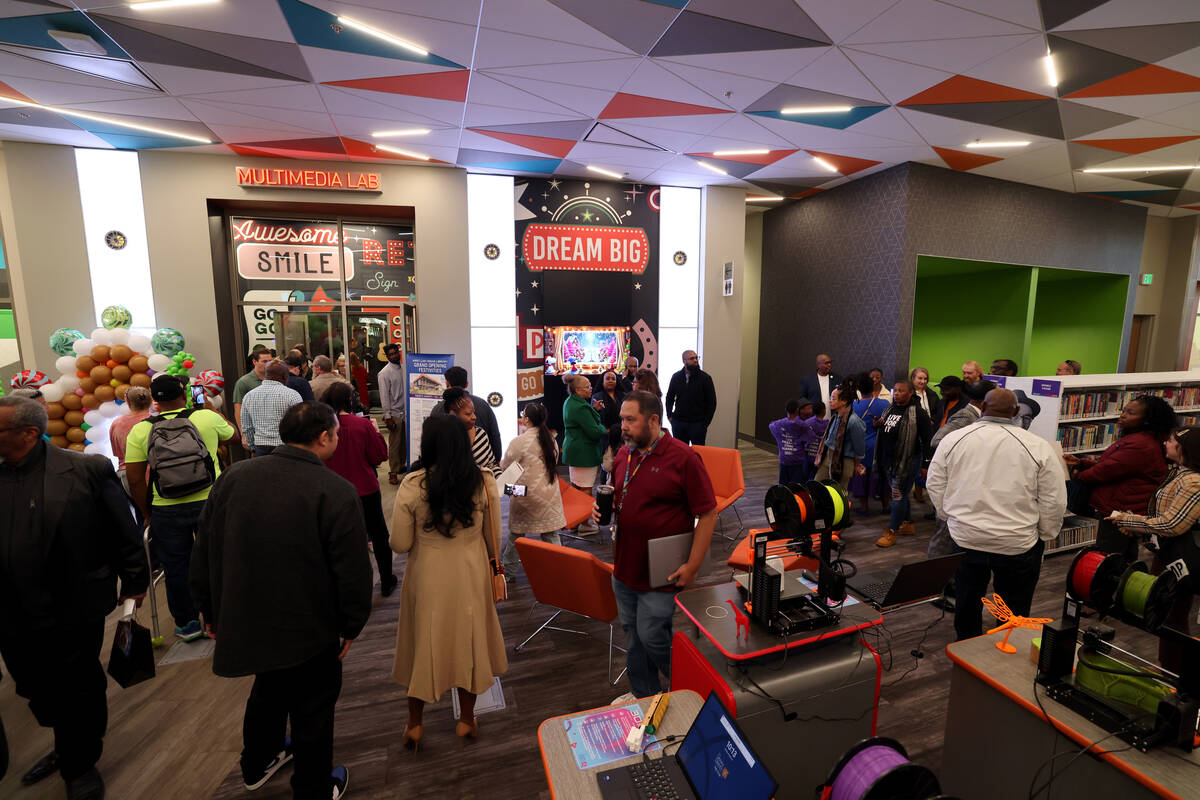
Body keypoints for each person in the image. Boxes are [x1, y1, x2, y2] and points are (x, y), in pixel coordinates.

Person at [191, 402, 371, 800]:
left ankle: (256, 763)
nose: (337, 439)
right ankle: (313, 788)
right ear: (323, 437)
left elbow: (204, 545)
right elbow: (353, 570)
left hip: (245, 612)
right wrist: (351, 624)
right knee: (313, 708)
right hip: (310, 624)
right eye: (336, 433)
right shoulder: (335, 490)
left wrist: (207, 604)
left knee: (267, 689)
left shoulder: (235, 477)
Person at [0, 396, 147, 800]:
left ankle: (78, 762)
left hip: (72, 601)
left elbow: (124, 530)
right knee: (31, 684)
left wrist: (135, 580)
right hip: (10, 609)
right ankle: (67, 740)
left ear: (29, 434)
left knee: (77, 682)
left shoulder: (84, 470)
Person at [390, 414, 508, 748]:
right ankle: (467, 721)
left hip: (426, 573)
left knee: (421, 643)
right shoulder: (483, 481)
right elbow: (493, 539)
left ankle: (415, 724)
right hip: (471, 572)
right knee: (469, 641)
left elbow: (400, 544)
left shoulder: (412, 484)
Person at [926, 389, 1066, 640]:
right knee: (1014, 604)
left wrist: (950, 517)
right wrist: (1045, 533)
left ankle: (967, 647)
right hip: (1017, 542)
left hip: (966, 539)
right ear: (1015, 412)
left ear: (982, 408)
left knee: (967, 598)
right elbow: (1053, 498)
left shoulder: (955, 439)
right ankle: (1008, 646)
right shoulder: (1037, 446)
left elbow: (935, 484)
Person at [605, 391, 716, 701]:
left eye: (630, 420)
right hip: (625, 567)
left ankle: (692, 690)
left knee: (653, 636)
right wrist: (600, 510)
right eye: (621, 419)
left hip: (662, 571)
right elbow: (620, 496)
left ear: (653, 420)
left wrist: (693, 565)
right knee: (633, 638)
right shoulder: (625, 454)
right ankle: (645, 697)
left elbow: (708, 513)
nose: (623, 426)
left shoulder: (683, 458)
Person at [126, 374, 234, 642]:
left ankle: (187, 624)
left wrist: (147, 512)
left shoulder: (140, 430)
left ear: (155, 401)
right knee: (217, 559)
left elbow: (136, 479)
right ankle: (220, 617)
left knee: (176, 566)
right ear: (184, 394)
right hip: (211, 501)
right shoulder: (206, 418)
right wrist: (209, 409)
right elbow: (233, 436)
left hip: (166, 507)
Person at [1111, 427, 1200, 672]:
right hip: (1169, 555)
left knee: (1174, 613)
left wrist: (1129, 521)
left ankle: (1174, 671)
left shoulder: (1194, 482)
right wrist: (1140, 526)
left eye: (1171, 440)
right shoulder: (1179, 473)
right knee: (1167, 611)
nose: (1165, 442)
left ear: (1184, 448)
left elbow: (1172, 524)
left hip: (1180, 559)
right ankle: (1167, 665)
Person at [1065, 395, 1176, 560]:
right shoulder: (1140, 439)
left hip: (1121, 509)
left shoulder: (1140, 444)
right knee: (1125, 553)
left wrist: (1076, 475)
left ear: (1147, 419)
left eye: (1130, 413)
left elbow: (1105, 471)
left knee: (1109, 556)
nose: (1123, 415)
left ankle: (1111, 585)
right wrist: (1083, 463)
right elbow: (1115, 465)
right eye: (1124, 410)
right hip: (1127, 506)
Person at [323, 382, 396, 597]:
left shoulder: (323, 427)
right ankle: (386, 580)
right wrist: (375, 431)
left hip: (333, 489)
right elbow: (379, 456)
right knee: (379, 535)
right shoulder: (361, 425)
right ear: (350, 400)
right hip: (365, 488)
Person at [498, 402, 566, 569]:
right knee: (550, 534)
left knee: (516, 536)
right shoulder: (551, 440)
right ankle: (562, 569)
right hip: (550, 493)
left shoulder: (519, 442)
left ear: (526, 419)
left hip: (524, 493)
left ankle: (508, 572)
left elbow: (505, 466)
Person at [873, 381, 933, 548]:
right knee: (902, 493)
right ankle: (907, 523)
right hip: (889, 459)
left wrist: (925, 465)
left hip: (908, 460)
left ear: (910, 393)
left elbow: (928, 440)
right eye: (896, 390)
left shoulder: (918, 413)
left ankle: (891, 532)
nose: (897, 393)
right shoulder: (890, 409)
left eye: (901, 391)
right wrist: (877, 425)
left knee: (898, 494)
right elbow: (885, 430)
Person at [563, 375, 607, 531]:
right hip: (584, 453)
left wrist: (594, 410)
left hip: (576, 451)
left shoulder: (572, 402)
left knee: (576, 487)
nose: (591, 389)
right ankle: (584, 524)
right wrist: (605, 429)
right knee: (586, 488)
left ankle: (575, 521)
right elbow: (595, 431)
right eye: (587, 387)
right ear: (577, 390)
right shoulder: (580, 407)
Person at [431, 366, 502, 463]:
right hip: (481, 466)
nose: (473, 417)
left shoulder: (437, 409)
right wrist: (496, 459)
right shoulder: (483, 405)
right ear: (467, 384)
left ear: (447, 383)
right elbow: (495, 435)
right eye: (468, 414)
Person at [241, 360, 303, 457]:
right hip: (286, 448)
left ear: (266, 375)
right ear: (285, 376)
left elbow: (247, 427)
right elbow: (300, 425)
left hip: (260, 448)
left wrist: (252, 448)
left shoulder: (249, 396)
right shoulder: (293, 395)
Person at [851, 374, 890, 515]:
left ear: (858, 389)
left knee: (861, 476)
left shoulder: (853, 405)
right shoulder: (885, 404)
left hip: (860, 446)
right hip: (880, 446)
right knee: (883, 476)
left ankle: (864, 507)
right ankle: (886, 506)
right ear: (873, 387)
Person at [814, 384, 866, 490]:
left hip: (844, 461)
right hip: (828, 456)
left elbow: (859, 448)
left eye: (833, 398)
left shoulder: (853, 421)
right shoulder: (835, 416)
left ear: (844, 401)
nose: (830, 401)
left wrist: (857, 465)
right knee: (817, 486)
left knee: (839, 493)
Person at [664, 350, 717, 446]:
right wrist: (670, 416)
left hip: (697, 424)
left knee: (698, 454)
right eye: (692, 358)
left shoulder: (705, 378)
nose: (696, 360)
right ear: (684, 361)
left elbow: (712, 403)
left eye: (696, 357)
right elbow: (669, 397)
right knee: (680, 454)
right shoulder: (676, 377)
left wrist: (704, 424)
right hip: (679, 423)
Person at [443, 387, 499, 475]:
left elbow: (492, 466)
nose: (474, 417)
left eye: (474, 412)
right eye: (468, 414)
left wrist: (502, 480)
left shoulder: (481, 434)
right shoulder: (442, 438)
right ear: (452, 415)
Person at [109, 385, 152, 491]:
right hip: (156, 474)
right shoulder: (157, 422)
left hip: (128, 475)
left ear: (128, 402)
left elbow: (118, 453)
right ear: (151, 401)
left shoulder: (117, 424)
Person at [378, 343, 406, 485]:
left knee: (404, 443)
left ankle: (401, 466)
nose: (394, 355)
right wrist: (387, 417)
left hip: (406, 412)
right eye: (391, 354)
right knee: (395, 444)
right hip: (394, 413)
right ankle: (393, 472)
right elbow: (384, 396)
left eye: (396, 352)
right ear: (387, 356)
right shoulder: (384, 373)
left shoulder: (404, 368)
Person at [769, 398, 815, 483]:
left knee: (783, 487)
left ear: (786, 410)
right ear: (798, 410)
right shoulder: (803, 426)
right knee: (796, 488)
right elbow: (811, 438)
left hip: (784, 461)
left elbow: (771, 426)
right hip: (797, 462)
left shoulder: (779, 424)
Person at [233, 348, 273, 436]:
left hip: (274, 431)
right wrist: (243, 434)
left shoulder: (275, 379)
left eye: (270, 361)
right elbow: (238, 409)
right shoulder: (244, 382)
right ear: (255, 362)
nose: (268, 364)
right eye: (264, 361)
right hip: (254, 432)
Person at [799, 354, 842, 419]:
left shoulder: (838, 379)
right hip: (814, 420)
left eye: (830, 362)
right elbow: (802, 399)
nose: (829, 365)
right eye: (826, 363)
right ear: (818, 364)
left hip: (834, 419)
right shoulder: (808, 380)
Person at [803, 401, 829, 481]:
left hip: (807, 455)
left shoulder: (807, 423)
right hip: (820, 457)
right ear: (824, 411)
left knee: (805, 477)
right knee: (816, 479)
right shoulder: (828, 424)